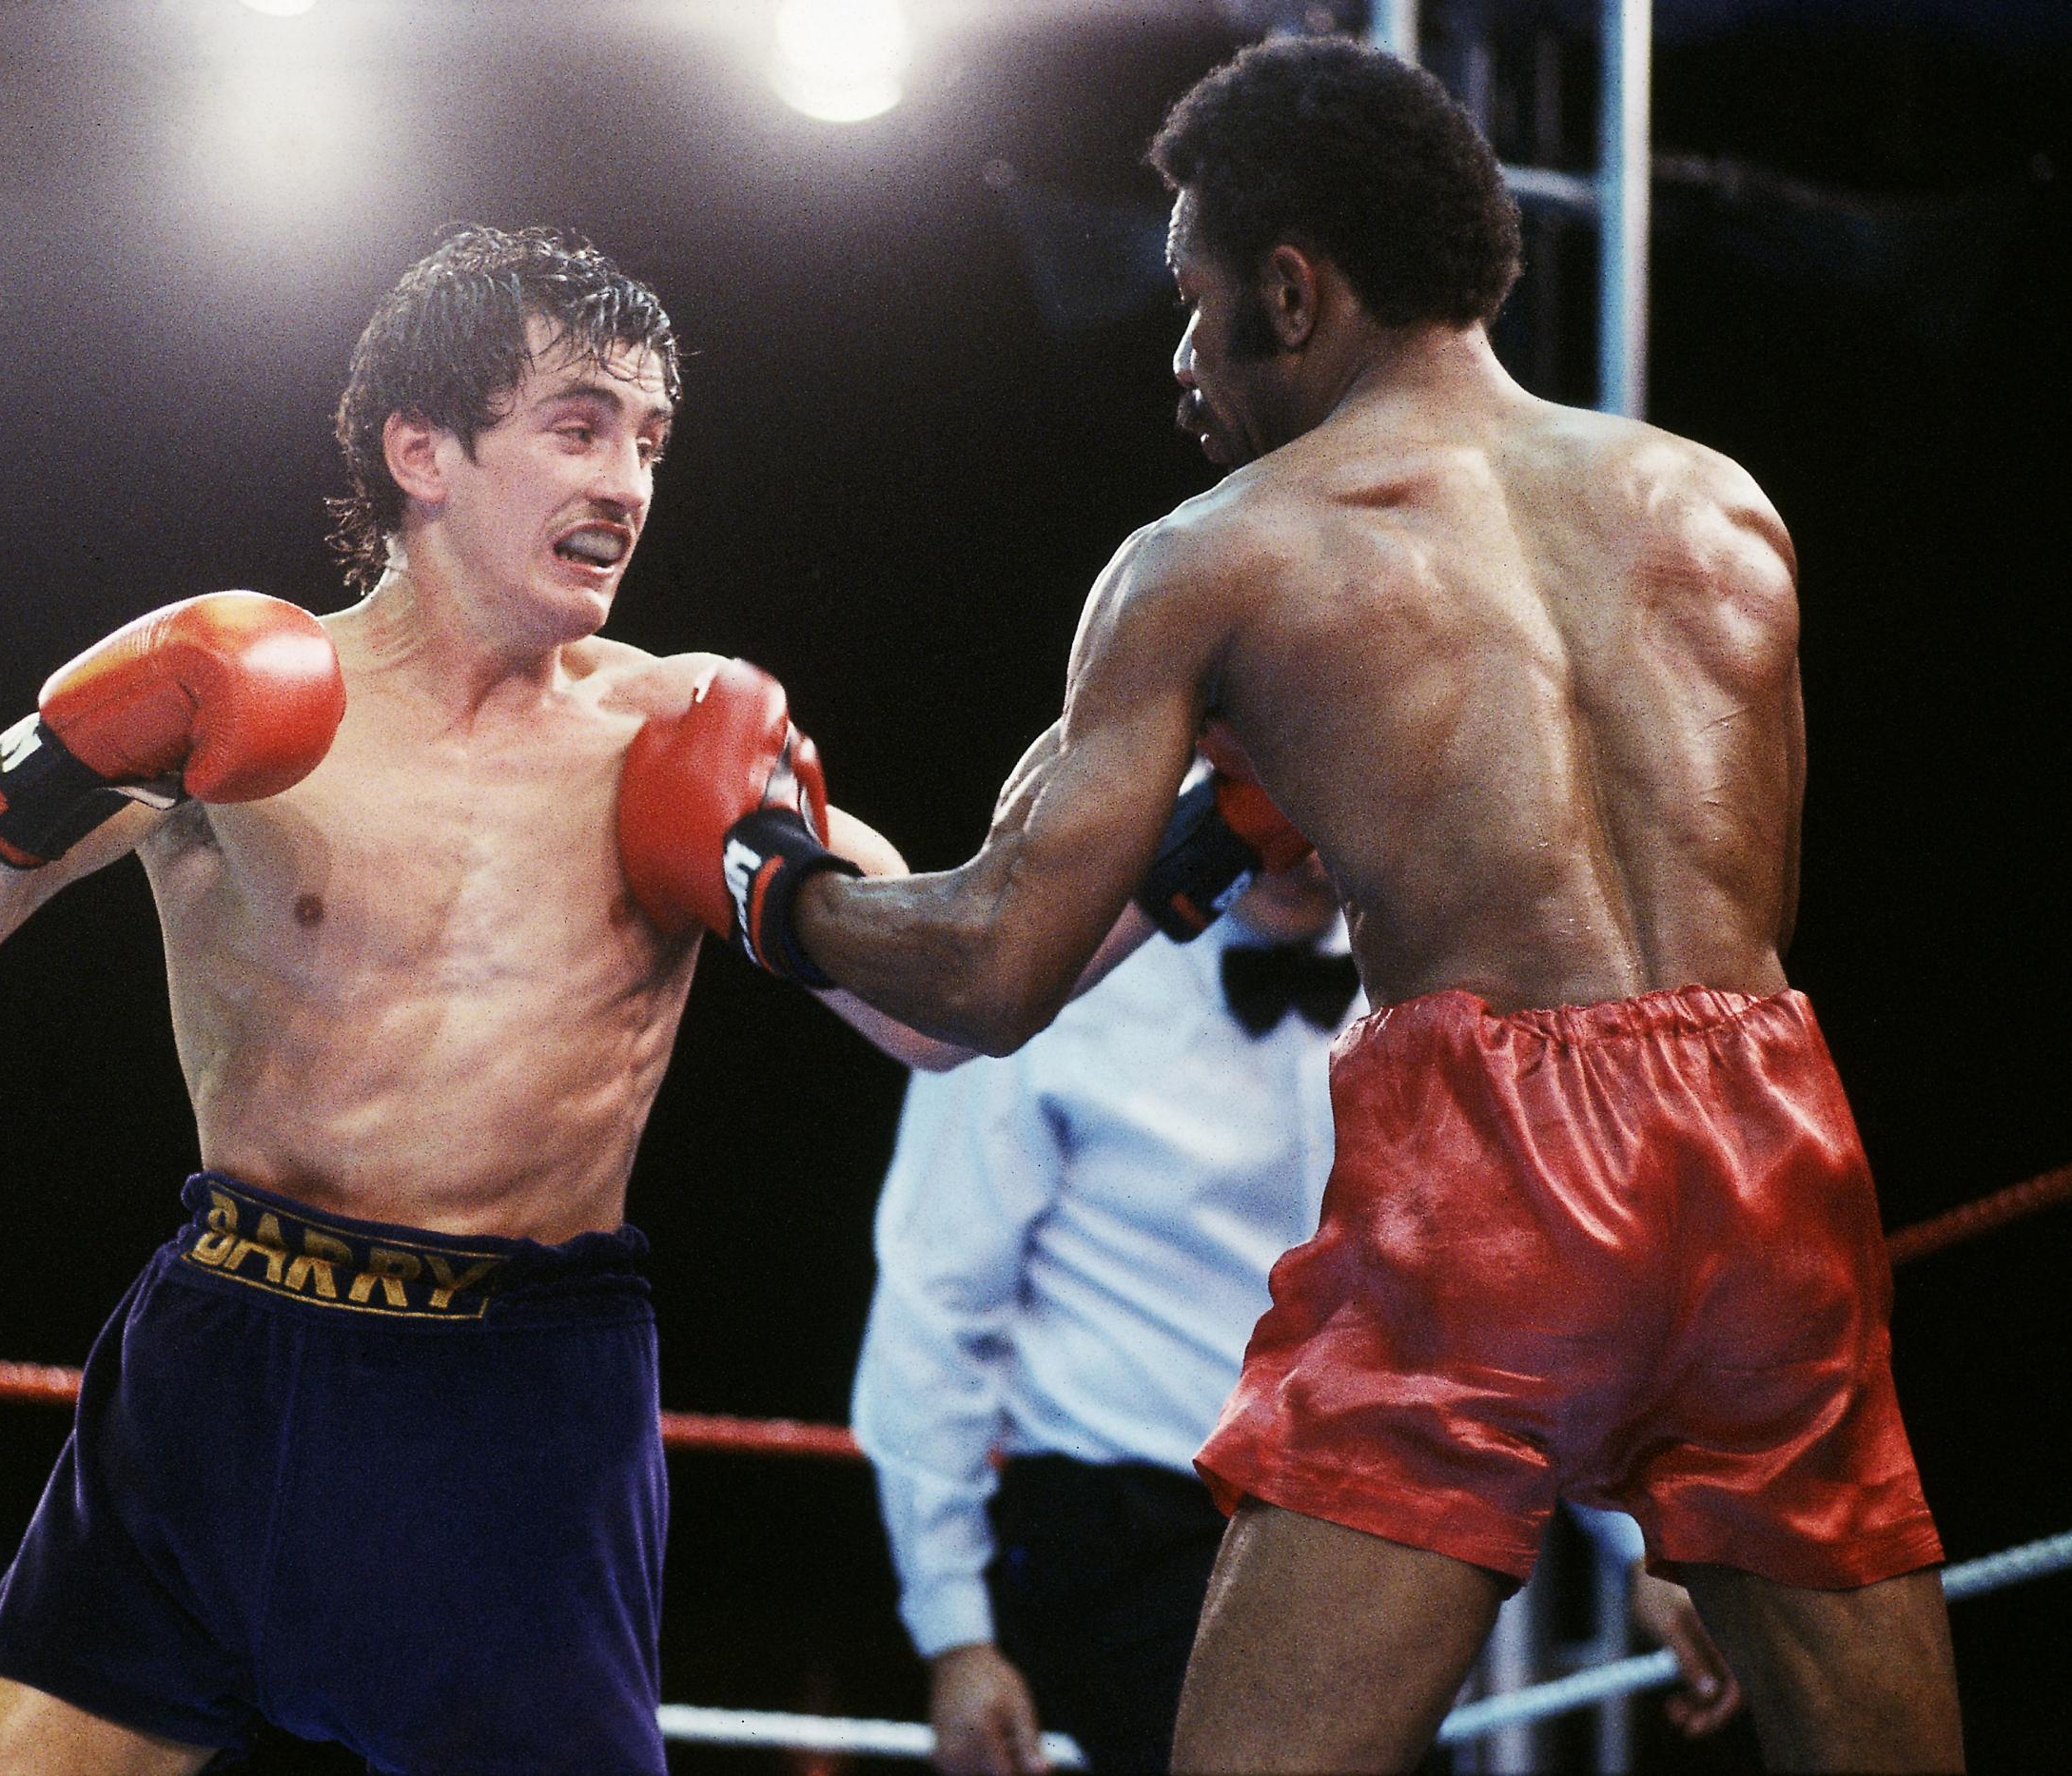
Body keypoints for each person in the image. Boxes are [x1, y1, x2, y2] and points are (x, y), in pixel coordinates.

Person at [617, 36, 1961, 1775]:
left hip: (1500, 1177)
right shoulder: (1721, 506)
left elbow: (991, 965)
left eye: (1194, 303)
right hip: (1778, 1147)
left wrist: (756, 886)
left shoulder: (1222, 553)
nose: (1182, 359)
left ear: (1293, 288)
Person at [0, 225, 923, 1776]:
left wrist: (1170, 856)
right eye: (578, 425)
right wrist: (62, 760)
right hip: (217, 1365)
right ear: (425, 449)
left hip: (512, 1414)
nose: (627, 481)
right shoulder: (237, 706)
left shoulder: (674, 729)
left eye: (649, 438)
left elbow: (946, 1007)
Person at [855, 859, 1740, 1776]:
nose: (1297, 848)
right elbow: (936, 1304)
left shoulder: (1446, 988)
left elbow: (1528, 1297)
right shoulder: (1053, 979)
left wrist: (1646, 1542)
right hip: (1120, 1529)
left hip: (1365, 1528)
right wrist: (954, 1632)